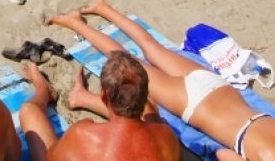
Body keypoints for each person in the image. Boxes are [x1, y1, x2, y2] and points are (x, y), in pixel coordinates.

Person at [50, 0, 275, 161]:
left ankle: (103, 7)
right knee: (127, 63)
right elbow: (223, 156)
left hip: (222, 92)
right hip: (195, 103)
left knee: (151, 47)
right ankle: (75, 23)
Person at [17, 53, 180, 161]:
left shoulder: (83, 134)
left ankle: (43, 90)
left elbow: (51, 157)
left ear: (103, 97)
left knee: (29, 110)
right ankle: (81, 97)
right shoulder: (166, 136)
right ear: (145, 95)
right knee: (150, 114)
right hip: (140, 122)